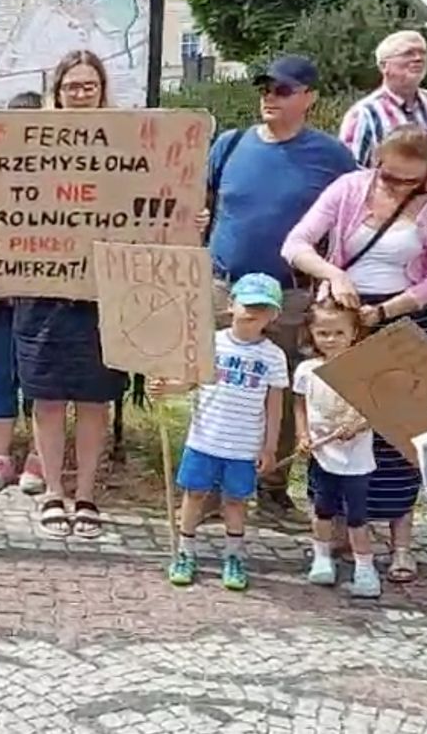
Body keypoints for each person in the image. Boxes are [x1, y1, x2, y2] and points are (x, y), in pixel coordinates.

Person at [281, 123, 427, 584]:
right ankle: (337, 531)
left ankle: (401, 542)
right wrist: (333, 275)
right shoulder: (349, 189)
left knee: (398, 437)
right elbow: (295, 244)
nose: (394, 186)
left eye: (408, 181)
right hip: (342, 318)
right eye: (387, 175)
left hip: (398, 319)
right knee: (337, 425)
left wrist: (388, 311)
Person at [197, 55, 358, 516]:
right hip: (225, 288)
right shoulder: (229, 145)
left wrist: (331, 275)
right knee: (218, 386)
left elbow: (351, 217)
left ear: (309, 98)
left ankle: (270, 484)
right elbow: (203, 202)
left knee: (281, 389)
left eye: (283, 90)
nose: (270, 96)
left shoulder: (331, 156)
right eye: (266, 87)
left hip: (289, 294)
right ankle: (209, 486)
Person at [18, 50, 129, 540]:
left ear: (102, 90)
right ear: (56, 93)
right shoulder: (29, 146)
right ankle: (52, 492)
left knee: (93, 400)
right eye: (71, 87)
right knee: (45, 398)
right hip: (42, 291)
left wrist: (188, 219)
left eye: (89, 85)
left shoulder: (129, 144)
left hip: (103, 296)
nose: (80, 93)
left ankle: (85, 494)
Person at [155, 273, 289, 592]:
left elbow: (274, 405)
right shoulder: (210, 342)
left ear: (274, 315)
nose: (253, 312)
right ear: (231, 305)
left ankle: (234, 555)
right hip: (205, 438)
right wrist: (167, 388)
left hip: (243, 446)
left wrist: (269, 447)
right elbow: (191, 381)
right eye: (248, 304)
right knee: (194, 494)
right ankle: (185, 552)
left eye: (263, 307)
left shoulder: (273, 356)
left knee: (236, 501)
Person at [0, 89, 44, 496]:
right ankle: (0, 458)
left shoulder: (67, 177)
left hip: (45, 296)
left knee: (39, 380)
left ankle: (39, 456)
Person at [292, 299, 379, 598]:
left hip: (357, 458)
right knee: (322, 508)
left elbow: (378, 409)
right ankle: (321, 558)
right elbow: (300, 405)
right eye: (323, 333)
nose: (331, 339)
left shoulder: (363, 370)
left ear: (353, 333)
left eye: (338, 333)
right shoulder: (307, 369)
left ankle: (365, 568)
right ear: (312, 334)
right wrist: (302, 435)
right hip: (321, 453)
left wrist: (359, 425)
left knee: (357, 515)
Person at [340, 31, 427, 169]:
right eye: (408, 53)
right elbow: (350, 172)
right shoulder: (365, 114)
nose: (418, 58)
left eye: (423, 53)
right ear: (384, 66)